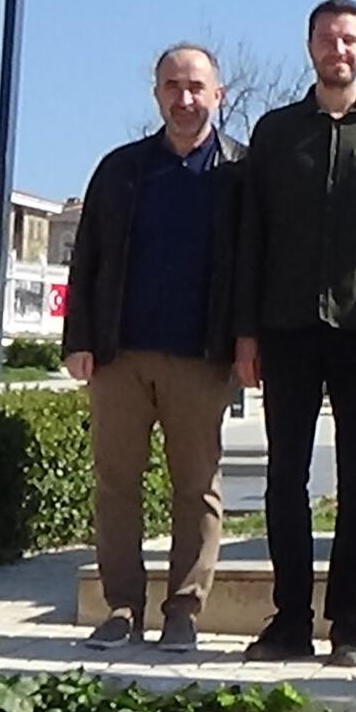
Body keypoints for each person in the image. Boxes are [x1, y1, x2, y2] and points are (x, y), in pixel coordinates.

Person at [233, 0, 356, 667]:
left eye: (348, 40)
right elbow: (249, 238)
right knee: (282, 478)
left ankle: (349, 623)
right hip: (286, 328)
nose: (337, 50)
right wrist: (245, 331)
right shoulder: (274, 132)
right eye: (326, 39)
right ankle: (289, 618)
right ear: (309, 47)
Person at [63, 44, 244, 652]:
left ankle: (184, 611)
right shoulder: (120, 169)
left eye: (196, 86)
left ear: (218, 94)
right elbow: (85, 257)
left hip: (202, 355)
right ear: (156, 94)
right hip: (120, 355)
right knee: (117, 484)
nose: (184, 98)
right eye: (172, 85)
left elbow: (256, 265)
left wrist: (249, 343)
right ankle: (121, 607)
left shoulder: (241, 173)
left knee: (196, 488)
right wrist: (79, 340)